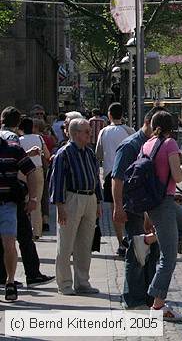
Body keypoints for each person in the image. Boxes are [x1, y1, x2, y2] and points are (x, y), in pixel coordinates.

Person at [142, 110, 182, 320]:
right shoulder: (170, 144)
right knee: (168, 258)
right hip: (164, 203)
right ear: (170, 126)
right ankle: (157, 306)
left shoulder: (147, 144)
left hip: (158, 203)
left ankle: (154, 237)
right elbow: (177, 176)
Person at [111, 107, 162, 310]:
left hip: (149, 209)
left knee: (151, 252)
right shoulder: (130, 146)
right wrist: (117, 207)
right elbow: (117, 178)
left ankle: (147, 296)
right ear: (148, 123)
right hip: (133, 209)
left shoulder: (153, 144)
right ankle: (132, 298)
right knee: (136, 251)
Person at [50, 117, 102, 295]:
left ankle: (82, 282)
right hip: (72, 198)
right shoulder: (63, 154)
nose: (90, 134)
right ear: (76, 133)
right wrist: (60, 206)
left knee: (85, 244)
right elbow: (57, 181)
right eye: (86, 131)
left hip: (89, 198)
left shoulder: (89, 153)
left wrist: (98, 202)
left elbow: (96, 179)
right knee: (66, 244)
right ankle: (64, 284)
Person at [0, 107, 42, 302]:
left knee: (9, 243)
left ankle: (10, 281)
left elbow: (30, 171)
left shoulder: (13, 148)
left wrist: (33, 198)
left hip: (8, 203)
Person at [95, 103, 134, 256]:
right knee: (130, 208)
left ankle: (120, 243)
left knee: (115, 209)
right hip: (128, 175)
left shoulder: (103, 132)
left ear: (109, 115)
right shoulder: (129, 131)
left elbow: (98, 154)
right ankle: (131, 237)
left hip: (110, 175)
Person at [17, 118, 47, 239]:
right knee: (36, 201)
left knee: (23, 200)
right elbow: (47, 154)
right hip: (37, 170)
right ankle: (36, 232)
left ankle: (24, 229)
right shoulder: (39, 138)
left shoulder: (19, 140)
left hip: (22, 171)